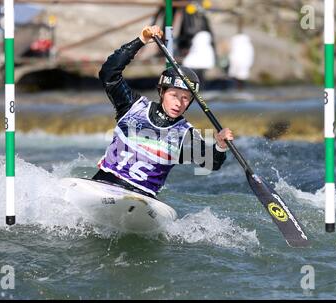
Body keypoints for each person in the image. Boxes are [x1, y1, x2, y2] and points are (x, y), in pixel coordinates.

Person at [92, 25, 234, 198]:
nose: (179, 103)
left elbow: (211, 164)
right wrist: (141, 40)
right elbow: (108, 73)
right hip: (102, 185)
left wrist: (220, 145)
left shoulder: (185, 135)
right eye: (174, 95)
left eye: (186, 98)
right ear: (161, 92)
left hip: (142, 199)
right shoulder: (132, 106)